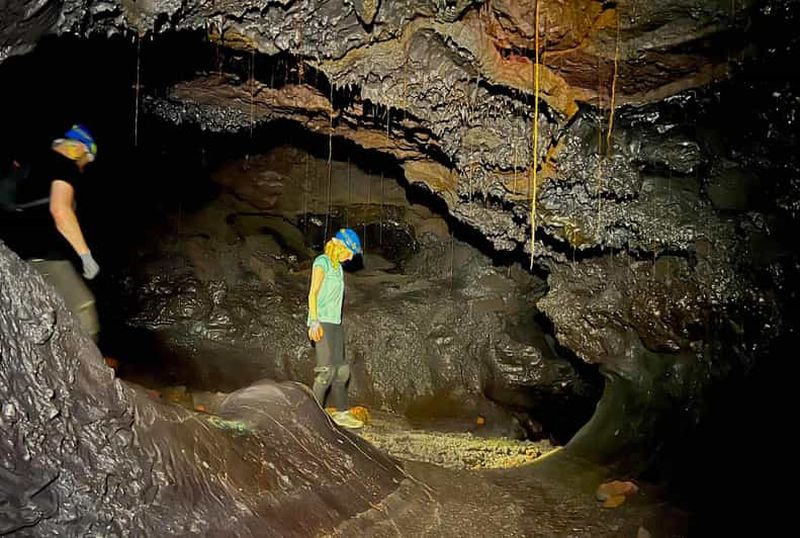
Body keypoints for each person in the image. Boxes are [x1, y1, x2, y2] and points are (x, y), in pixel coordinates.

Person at [0, 124, 101, 341]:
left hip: (11, 254)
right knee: (83, 307)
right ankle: (90, 363)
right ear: (79, 148)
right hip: (41, 255)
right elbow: (60, 210)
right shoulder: (65, 164)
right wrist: (86, 256)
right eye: (86, 160)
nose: (83, 167)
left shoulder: (33, 162)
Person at [307, 227, 363, 429]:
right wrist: (314, 321)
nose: (350, 257)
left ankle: (341, 412)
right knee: (326, 372)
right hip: (322, 321)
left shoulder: (338, 268)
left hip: (335, 323)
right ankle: (313, 416)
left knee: (342, 371)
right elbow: (313, 293)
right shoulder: (321, 262)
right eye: (349, 252)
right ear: (341, 247)